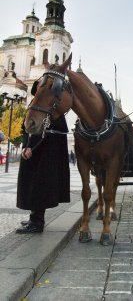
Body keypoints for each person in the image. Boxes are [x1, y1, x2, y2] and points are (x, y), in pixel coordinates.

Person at [15, 81, 70, 234]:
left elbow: (47, 131)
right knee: (30, 186)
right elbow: (26, 127)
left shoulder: (51, 107)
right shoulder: (34, 104)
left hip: (43, 154)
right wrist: (26, 145)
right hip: (31, 151)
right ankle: (34, 217)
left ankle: (37, 222)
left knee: (38, 187)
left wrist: (32, 147)